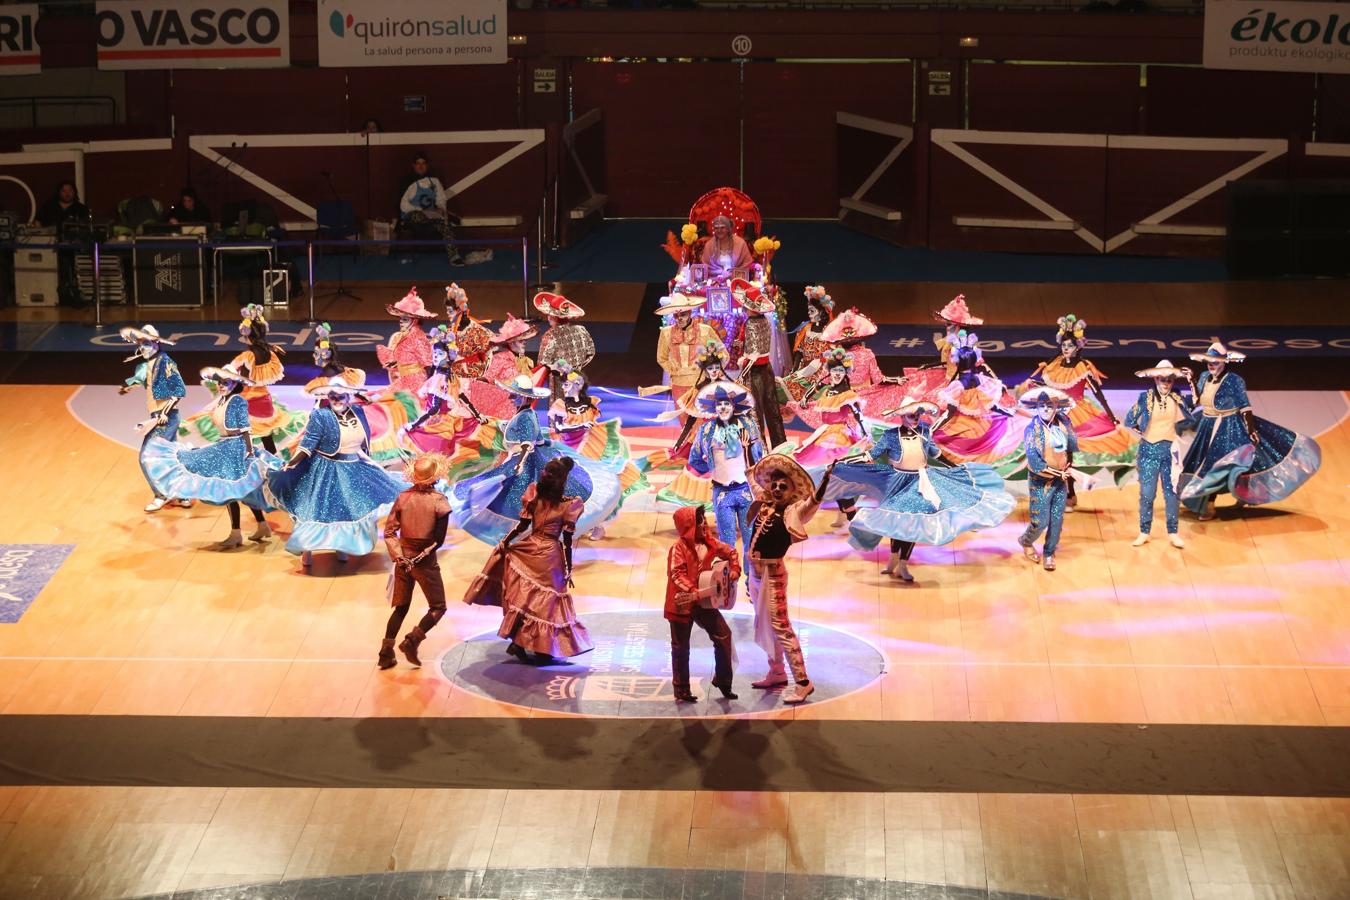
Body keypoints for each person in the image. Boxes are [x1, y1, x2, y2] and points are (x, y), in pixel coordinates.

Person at [821, 397, 1014, 582]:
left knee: (911, 524)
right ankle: (893, 560)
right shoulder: (891, 436)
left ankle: (903, 564)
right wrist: (845, 461)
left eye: (918, 416)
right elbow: (871, 455)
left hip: (921, 483)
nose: (916, 419)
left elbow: (935, 454)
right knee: (896, 523)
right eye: (912, 416)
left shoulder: (924, 432)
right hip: (897, 482)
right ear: (902, 417)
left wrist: (953, 467)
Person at [448, 367, 616, 547]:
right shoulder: (525, 413)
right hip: (527, 456)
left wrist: (519, 464)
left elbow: (528, 443)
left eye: (515, 394)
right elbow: (518, 431)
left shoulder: (526, 416)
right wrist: (490, 421)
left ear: (526, 397)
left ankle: (527, 535)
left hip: (527, 460)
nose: (511, 397)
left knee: (519, 498)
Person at [464, 456, 594, 665]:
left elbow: (522, 526)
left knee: (527, 599)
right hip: (550, 555)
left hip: (531, 546)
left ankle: (524, 642)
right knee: (547, 603)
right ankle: (535, 645)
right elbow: (568, 540)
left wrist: (505, 542)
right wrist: (569, 567)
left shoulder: (534, 494)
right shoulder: (570, 505)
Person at [265, 377, 405, 569]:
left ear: (349, 397)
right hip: (326, 469)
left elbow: (363, 442)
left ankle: (342, 547)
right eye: (333, 396)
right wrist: (293, 462)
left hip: (353, 467)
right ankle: (307, 549)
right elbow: (308, 443)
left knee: (348, 510)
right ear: (327, 397)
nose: (337, 399)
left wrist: (371, 463)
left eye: (341, 396)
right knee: (317, 510)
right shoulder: (321, 415)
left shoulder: (358, 412)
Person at [1179, 342, 1321, 520]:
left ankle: (1209, 506)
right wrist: (1191, 380)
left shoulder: (1234, 380)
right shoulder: (1204, 377)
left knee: (1219, 464)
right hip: (1207, 426)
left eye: (1215, 361)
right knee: (1201, 462)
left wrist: (1251, 429)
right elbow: (1198, 401)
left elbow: (1245, 407)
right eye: (1209, 361)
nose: (1211, 364)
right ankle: (1236, 496)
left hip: (1228, 427)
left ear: (1224, 362)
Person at [141, 366, 275, 548]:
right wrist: (188, 423)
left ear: (235, 384)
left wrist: (249, 451)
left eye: (225, 383)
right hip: (225, 445)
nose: (221, 386)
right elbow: (209, 414)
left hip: (235, 449)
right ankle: (261, 525)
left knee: (231, 492)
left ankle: (237, 533)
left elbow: (245, 429)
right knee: (240, 491)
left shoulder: (237, 401)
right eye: (219, 382)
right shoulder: (222, 400)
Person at [1019, 315, 1134, 509]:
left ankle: (1069, 495)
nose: (1066, 349)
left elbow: (1098, 393)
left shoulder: (1083, 367)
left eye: (1070, 346)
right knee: (1049, 454)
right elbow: (1051, 386)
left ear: (1078, 347)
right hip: (1053, 411)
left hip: (1076, 414)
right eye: (1064, 345)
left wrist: (1112, 417)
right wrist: (1034, 384)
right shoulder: (1054, 364)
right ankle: (1057, 492)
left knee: (1066, 456)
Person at [746, 453, 834, 704]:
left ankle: (804, 682)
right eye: (774, 484)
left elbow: (813, 503)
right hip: (755, 573)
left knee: (781, 627)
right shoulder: (764, 504)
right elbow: (753, 480)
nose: (776, 489)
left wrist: (825, 481)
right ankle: (776, 672)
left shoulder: (794, 512)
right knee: (763, 622)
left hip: (773, 576)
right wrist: (747, 451)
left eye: (783, 487)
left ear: (792, 491)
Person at [380, 454, 452, 670]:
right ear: (435, 478)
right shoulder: (439, 502)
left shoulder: (403, 498)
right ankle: (412, 641)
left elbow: (389, 532)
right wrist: (419, 558)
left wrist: (400, 557)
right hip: (424, 562)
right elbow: (438, 541)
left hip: (403, 560)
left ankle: (385, 652)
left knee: (401, 607)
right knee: (438, 607)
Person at [687, 382, 765, 576]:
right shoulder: (706, 431)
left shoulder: (747, 426)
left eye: (727, 404)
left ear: (734, 406)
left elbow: (759, 457)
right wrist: (711, 466)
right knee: (726, 540)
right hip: (722, 491)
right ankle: (728, 581)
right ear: (714, 408)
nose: (723, 408)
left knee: (750, 538)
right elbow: (695, 459)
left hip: (745, 490)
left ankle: (751, 581)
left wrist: (748, 450)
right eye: (719, 405)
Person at [665, 505, 740, 703]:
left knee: (724, 635)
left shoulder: (710, 543)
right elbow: (676, 574)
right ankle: (681, 689)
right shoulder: (678, 548)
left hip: (704, 602)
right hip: (681, 602)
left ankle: (724, 681)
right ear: (688, 525)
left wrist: (734, 571)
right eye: (699, 521)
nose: (704, 523)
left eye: (703, 519)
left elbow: (731, 552)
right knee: (681, 647)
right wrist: (692, 591)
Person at [118, 325, 190, 513]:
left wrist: (164, 413)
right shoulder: (147, 364)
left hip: (164, 418)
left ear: (157, 343)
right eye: (141, 344)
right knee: (170, 456)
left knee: (146, 457)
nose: (144, 347)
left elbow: (178, 391)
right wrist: (128, 387)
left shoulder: (166, 362)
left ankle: (161, 494)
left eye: (148, 343)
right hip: (158, 416)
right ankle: (182, 493)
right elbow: (142, 378)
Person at [1124, 360, 1194, 549]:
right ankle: (1144, 531)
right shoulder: (1145, 397)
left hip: (1170, 452)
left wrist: (1191, 380)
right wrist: (1143, 433)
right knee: (1147, 494)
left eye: (1170, 380)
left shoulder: (1177, 397)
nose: (1166, 383)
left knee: (1171, 494)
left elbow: (1194, 403)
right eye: (1162, 380)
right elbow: (1129, 420)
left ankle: (1173, 533)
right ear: (1155, 379)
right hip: (1148, 451)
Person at [1017, 387, 1078, 572]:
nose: (1045, 409)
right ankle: (1026, 541)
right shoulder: (1031, 430)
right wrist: (1059, 473)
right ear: (1036, 408)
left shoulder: (1064, 423)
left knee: (1057, 520)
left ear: (1056, 407)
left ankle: (1049, 552)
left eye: (1049, 406)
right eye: (1041, 406)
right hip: (1040, 481)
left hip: (1060, 479)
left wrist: (1068, 466)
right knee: (1041, 521)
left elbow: (1071, 447)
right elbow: (1035, 462)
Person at [731, 278, 787, 448]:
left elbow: (753, 354)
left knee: (754, 410)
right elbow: (751, 345)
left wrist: (742, 363)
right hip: (767, 370)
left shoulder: (751, 324)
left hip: (753, 371)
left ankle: (759, 447)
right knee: (772, 408)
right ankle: (780, 445)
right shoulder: (765, 321)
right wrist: (740, 344)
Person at [228, 304, 288, 453]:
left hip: (247, 399)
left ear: (248, 336)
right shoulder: (270, 353)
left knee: (235, 431)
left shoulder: (247, 356)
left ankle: (239, 461)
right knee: (266, 436)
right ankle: (273, 463)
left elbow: (230, 370)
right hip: (264, 400)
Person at [655, 292, 722, 418]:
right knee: (683, 421)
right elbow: (661, 357)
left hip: (700, 383)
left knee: (701, 422)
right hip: (678, 383)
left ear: (690, 313)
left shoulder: (705, 331)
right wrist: (673, 369)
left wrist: (712, 372)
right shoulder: (666, 333)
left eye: (683, 314)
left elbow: (721, 353)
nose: (679, 318)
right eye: (676, 315)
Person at [398, 151, 463, 265]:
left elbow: (441, 199)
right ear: (413, 165)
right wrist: (422, 211)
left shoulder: (435, 181)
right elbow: (403, 205)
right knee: (419, 216)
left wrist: (440, 209)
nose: (421, 166)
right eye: (418, 163)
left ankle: (454, 257)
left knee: (445, 226)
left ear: (427, 165)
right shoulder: (407, 182)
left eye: (423, 163)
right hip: (414, 216)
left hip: (433, 217)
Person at [469, 313, 537, 421]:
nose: (524, 343)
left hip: (519, 409)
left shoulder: (521, 361)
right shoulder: (500, 358)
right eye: (521, 340)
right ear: (511, 342)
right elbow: (485, 380)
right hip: (502, 412)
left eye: (525, 340)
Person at [34, 180, 90, 307]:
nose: (67, 194)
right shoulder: (48, 207)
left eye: (70, 191)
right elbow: (37, 223)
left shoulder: (81, 209)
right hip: (50, 248)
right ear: (59, 192)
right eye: (64, 191)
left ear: (74, 192)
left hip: (74, 249)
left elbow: (87, 228)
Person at [534, 291, 596, 398]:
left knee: (559, 409)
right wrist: (576, 368)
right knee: (576, 406)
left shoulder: (551, 335)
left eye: (549, 315)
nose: (548, 318)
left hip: (559, 381)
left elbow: (542, 362)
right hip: (578, 377)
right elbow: (591, 353)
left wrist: (562, 370)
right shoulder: (581, 330)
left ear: (553, 317)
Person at [376, 287, 437, 395]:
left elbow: (428, 365)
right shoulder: (405, 335)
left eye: (404, 319)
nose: (400, 322)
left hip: (416, 384)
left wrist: (429, 389)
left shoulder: (418, 338)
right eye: (400, 318)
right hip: (404, 380)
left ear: (415, 321)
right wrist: (396, 363)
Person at [700, 214, 753, 279]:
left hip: (737, 279)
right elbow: (706, 266)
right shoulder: (709, 245)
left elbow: (747, 264)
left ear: (728, 229)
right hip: (715, 280)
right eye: (716, 228)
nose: (719, 230)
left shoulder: (740, 243)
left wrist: (732, 274)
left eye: (722, 227)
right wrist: (721, 272)